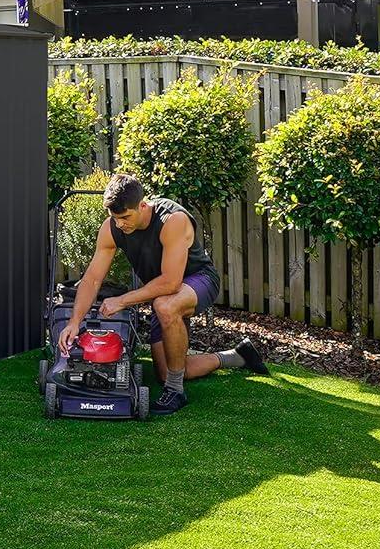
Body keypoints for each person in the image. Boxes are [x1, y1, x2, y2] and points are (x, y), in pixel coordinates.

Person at [58, 173, 267, 415]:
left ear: (143, 206)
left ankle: (176, 392)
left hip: (198, 280)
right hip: (161, 294)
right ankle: (238, 356)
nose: (120, 224)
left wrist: (122, 301)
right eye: (115, 218)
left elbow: (170, 282)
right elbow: (93, 278)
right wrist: (74, 322)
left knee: (165, 306)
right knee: (167, 372)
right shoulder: (112, 228)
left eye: (125, 217)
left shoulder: (172, 220)